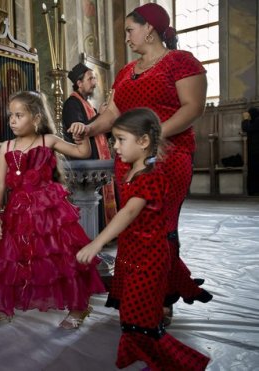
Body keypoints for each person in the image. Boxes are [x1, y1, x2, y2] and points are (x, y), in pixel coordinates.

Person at [68, 3, 213, 322]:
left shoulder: (181, 62)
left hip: (169, 156)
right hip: (129, 161)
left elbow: (192, 108)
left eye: (130, 30)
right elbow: (113, 114)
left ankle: (162, 295)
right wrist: (89, 128)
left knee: (160, 226)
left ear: (149, 28)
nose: (127, 38)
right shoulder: (125, 71)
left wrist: (152, 134)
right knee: (133, 226)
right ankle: (132, 292)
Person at [77, 108, 211, 370]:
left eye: (120, 140)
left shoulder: (150, 177)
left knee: (142, 316)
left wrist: (96, 243)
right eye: (114, 140)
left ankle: (176, 363)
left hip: (149, 258)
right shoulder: (131, 171)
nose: (115, 146)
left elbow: (127, 213)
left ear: (143, 141)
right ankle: (141, 353)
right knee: (131, 312)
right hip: (132, 254)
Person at [0, 91, 105, 329]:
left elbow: (82, 153)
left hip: (49, 212)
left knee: (59, 257)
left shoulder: (49, 140)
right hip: (17, 212)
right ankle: (1, 307)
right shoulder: (6, 147)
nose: (12, 120)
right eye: (10, 116)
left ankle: (78, 308)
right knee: (11, 257)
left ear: (35, 119)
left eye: (19, 115)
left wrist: (82, 137)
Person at [62, 62, 117, 230]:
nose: (94, 82)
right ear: (79, 83)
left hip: (97, 159)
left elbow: (99, 132)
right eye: (91, 78)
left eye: (94, 78)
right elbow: (77, 130)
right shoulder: (72, 104)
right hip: (85, 161)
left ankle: (104, 231)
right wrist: (100, 115)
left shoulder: (89, 106)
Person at [241, 107, 259, 195]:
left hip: (256, 151)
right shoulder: (255, 120)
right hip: (254, 150)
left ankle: (254, 191)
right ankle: (253, 191)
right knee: (253, 171)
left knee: (254, 171)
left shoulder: (258, 120)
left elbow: (247, 128)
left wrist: (245, 119)